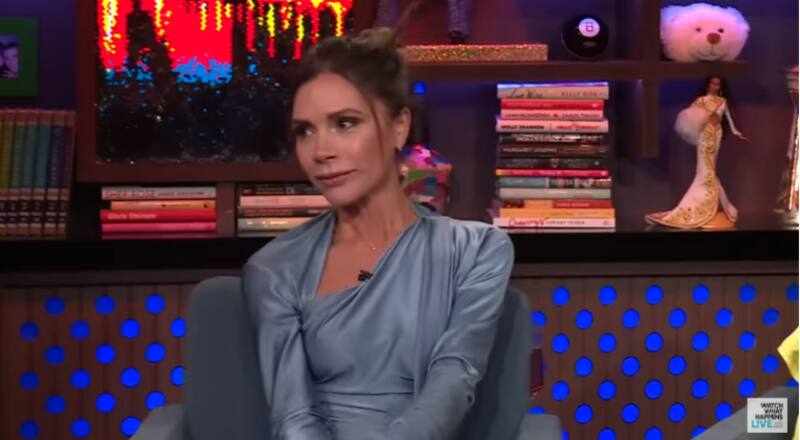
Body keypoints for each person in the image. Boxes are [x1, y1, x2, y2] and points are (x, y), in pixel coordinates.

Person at [241, 6, 515, 440]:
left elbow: (453, 379)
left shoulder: (476, 251)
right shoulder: (275, 268)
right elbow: (293, 419)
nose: (321, 151)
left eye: (344, 123)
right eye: (305, 131)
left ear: (399, 126)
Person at [645, 75, 748, 229]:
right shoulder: (701, 100)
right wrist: (699, 122)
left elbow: (728, 118)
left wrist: (736, 132)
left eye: (718, 84)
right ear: (708, 85)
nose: (715, 86)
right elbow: (690, 115)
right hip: (705, 134)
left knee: (711, 168)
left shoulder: (722, 101)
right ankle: (702, 204)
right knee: (705, 170)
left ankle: (709, 206)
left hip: (716, 134)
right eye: (712, 83)